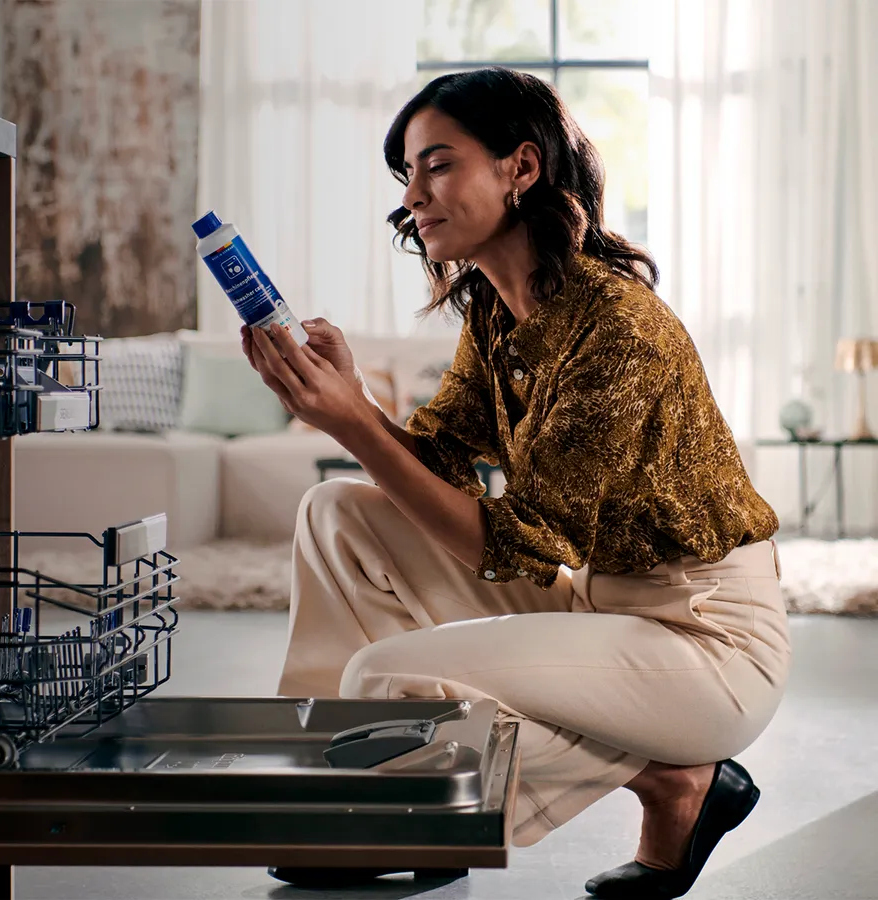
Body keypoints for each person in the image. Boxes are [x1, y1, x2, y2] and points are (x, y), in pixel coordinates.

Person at [240, 68, 790, 900]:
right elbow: (437, 462)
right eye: (407, 175)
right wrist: (351, 402)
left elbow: (515, 544)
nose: (412, 197)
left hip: (705, 643)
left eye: (437, 165)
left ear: (521, 167)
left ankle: (671, 779)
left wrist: (352, 424)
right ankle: (356, 800)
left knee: (387, 680)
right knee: (336, 513)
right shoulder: (500, 310)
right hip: (604, 605)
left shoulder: (618, 330)